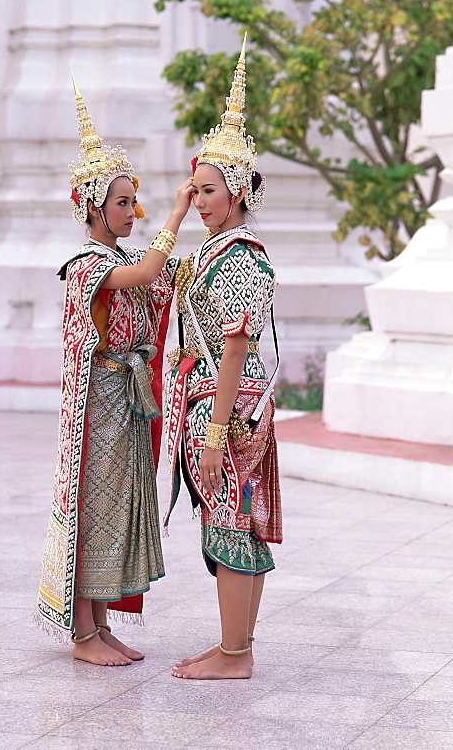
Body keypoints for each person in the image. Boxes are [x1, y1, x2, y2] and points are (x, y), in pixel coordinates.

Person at [37, 76, 193, 666]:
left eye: (135, 202)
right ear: (94, 209)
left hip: (124, 396)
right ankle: (81, 635)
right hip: (99, 400)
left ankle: (99, 625)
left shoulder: (121, 258)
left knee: (118, 505)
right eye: (123, 203)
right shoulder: (85, 265)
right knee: (93, 507)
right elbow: (146, 276)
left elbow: (154, 291)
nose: (135, 212)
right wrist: (177, 217)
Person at [165, 38, 282, 680]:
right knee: (236, 521)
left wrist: (213, 431)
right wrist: (178, 215)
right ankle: (236, 646)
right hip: (218, 399)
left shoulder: (240, 256)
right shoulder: (214, 253)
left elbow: (235, 341)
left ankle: (233, 653)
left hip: (228, 406)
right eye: (195, 189)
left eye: (208, 191)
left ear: (236, 195)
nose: (199, 200)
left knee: (234, 522)